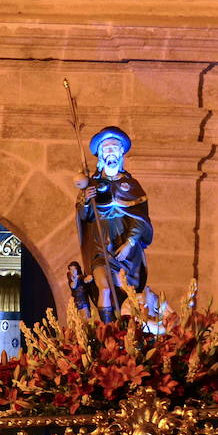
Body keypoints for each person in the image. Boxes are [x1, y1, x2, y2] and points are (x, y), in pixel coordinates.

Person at [74, 126, 153, 321]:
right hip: (101, 247)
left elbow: (139, 219)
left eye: (115, 148)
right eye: (107, 148)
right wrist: (85, 200)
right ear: (100, 154)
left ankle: (122, 327)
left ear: (121, 153)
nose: (111, 152)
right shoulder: (91, 185)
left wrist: (130, 243)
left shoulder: (131, 186)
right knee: (105, 287)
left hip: (124, 250)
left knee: (126, 292)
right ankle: (107, 330)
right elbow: (84, 217)